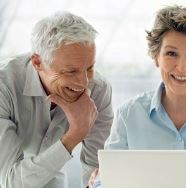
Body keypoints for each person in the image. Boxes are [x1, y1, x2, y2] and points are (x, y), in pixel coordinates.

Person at [91, 5, 186, 187]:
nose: (182, 67)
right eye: (171, 53)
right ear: (156, 57)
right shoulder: (128, 115)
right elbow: (108, 181)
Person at [0, 11, 113, 188]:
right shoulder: (4, 86)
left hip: (53, 176)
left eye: (89, 68)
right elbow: (10, 181)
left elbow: (98, 171)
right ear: (37, 63)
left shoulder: (98, 89)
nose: (84, 82)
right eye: (71, 71)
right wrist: (75, 135)